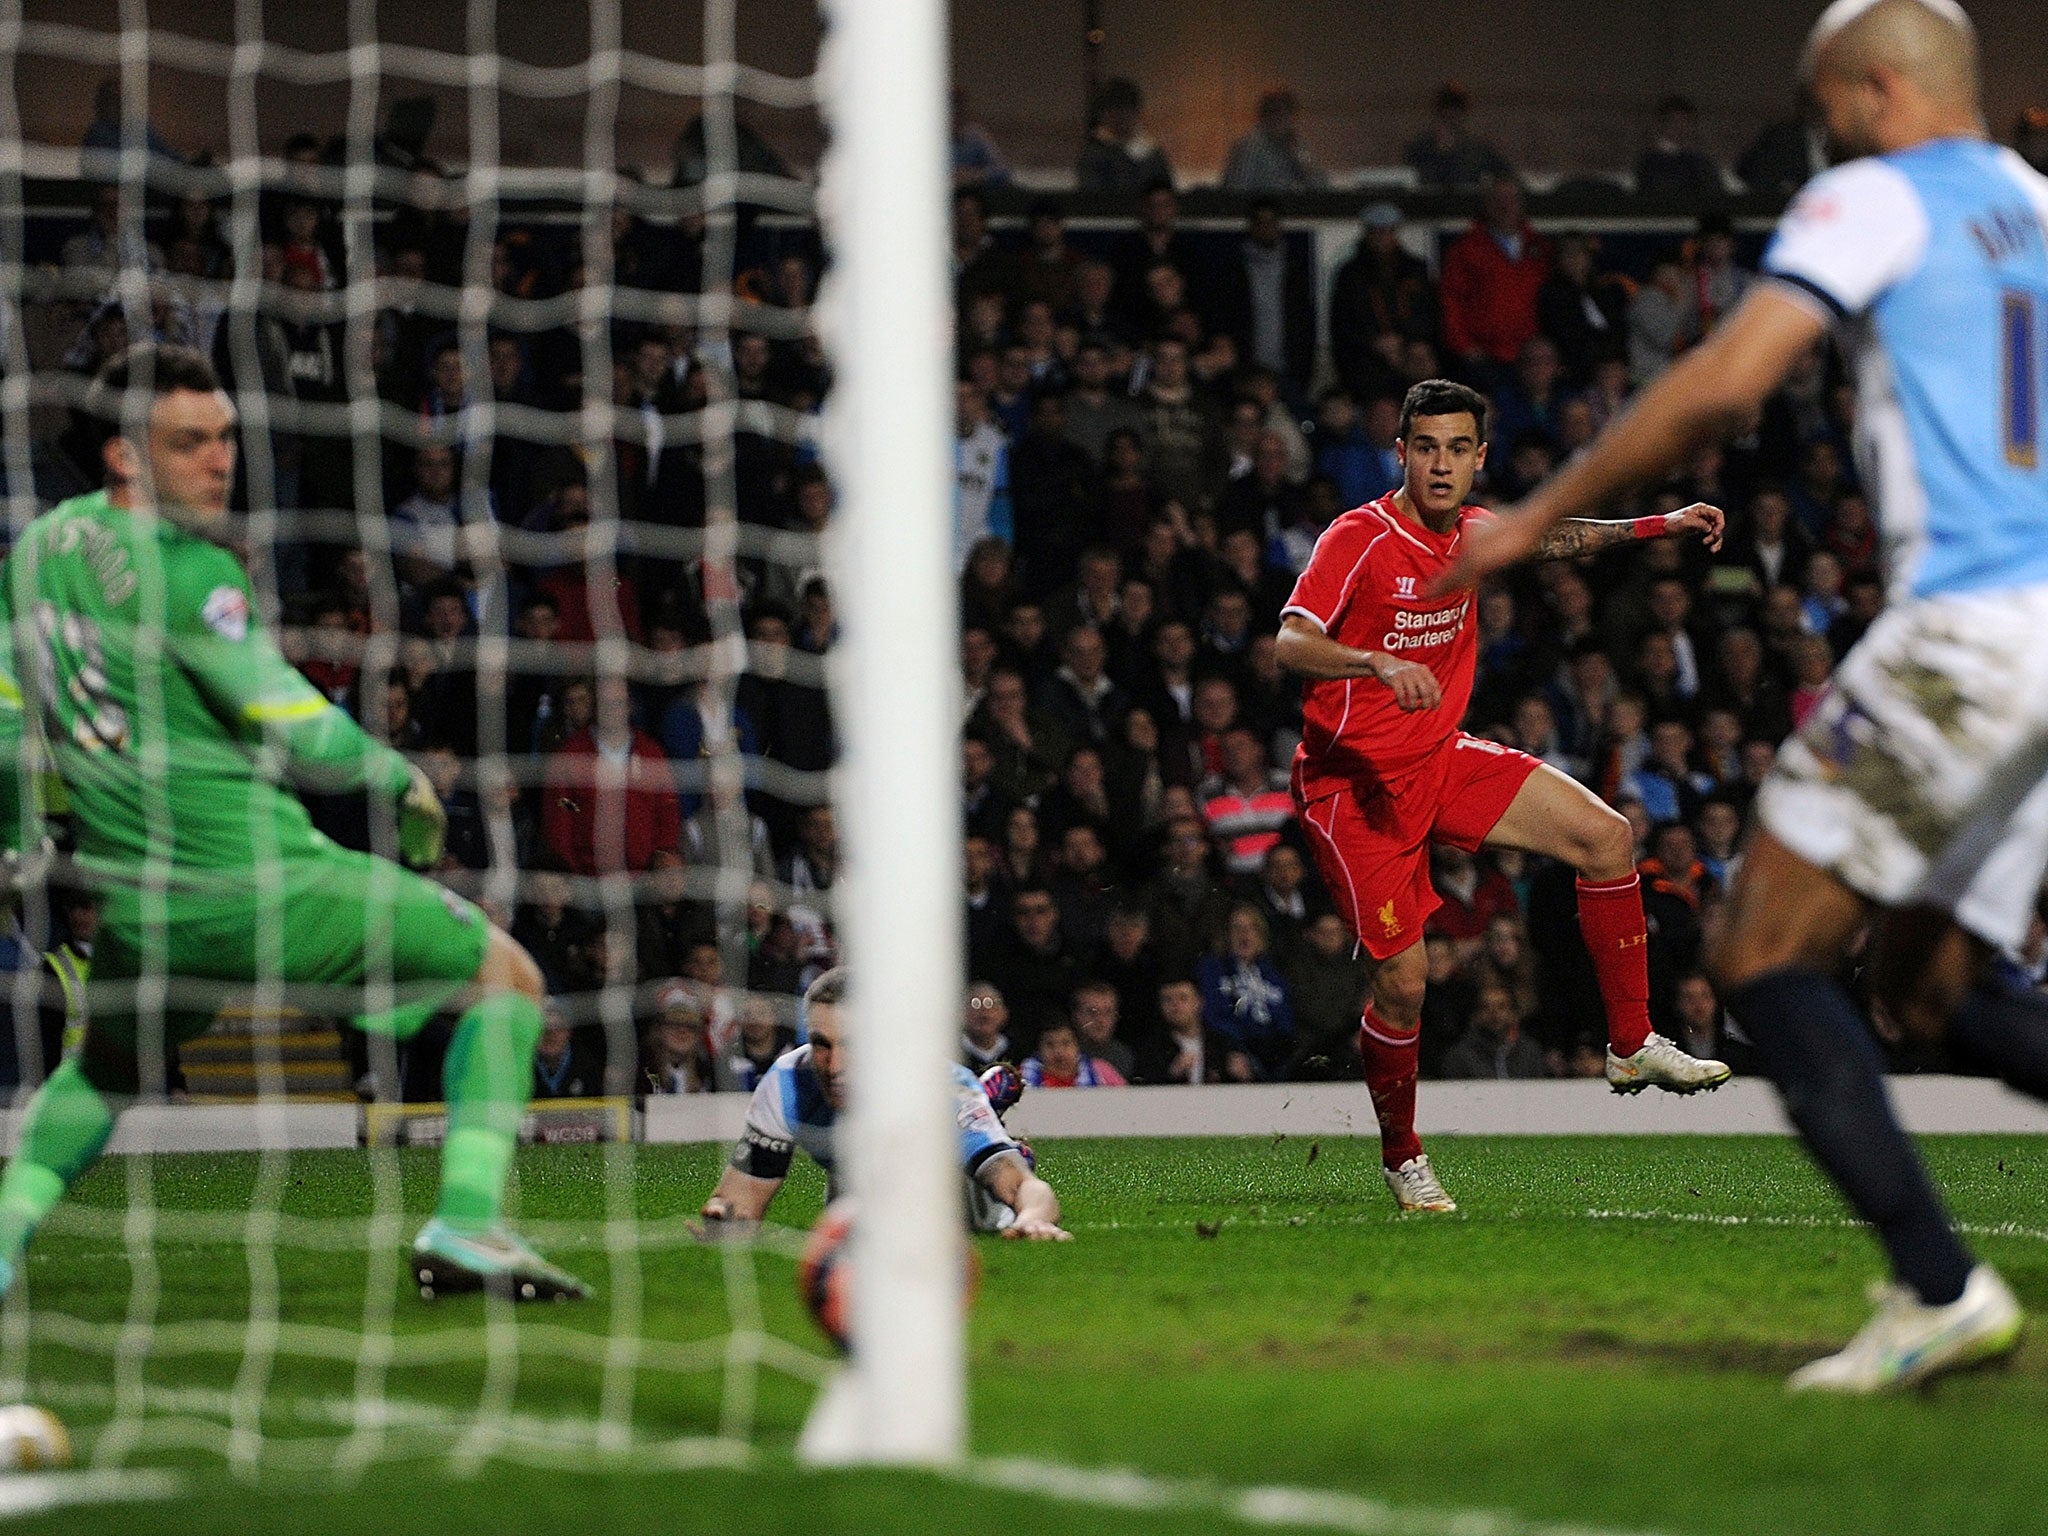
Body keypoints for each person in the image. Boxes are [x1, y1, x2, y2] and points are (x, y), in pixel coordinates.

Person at [1436, 0, 2048, 1392]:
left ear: (1878, 89)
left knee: (1761, 953)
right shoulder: (2034, 200)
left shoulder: (1874, 197)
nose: (1810, 126)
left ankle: (1939, 1288)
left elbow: (1725, 380)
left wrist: (1534, 519)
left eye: (1820, 99)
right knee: (1931, 985)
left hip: (1973, 625)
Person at [0, 346, 585, 1301]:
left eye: (225, 437)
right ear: (120, 455)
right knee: (505, 979)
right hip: (262, 882)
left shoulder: (36, 554)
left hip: (144, 907)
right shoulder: (190, 574)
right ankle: (468, 1224)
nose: (219, 461)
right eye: (188, 443)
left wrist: (15, 836)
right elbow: (297, 725)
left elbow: (4, 711)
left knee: (106, 1069)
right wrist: (399, 777)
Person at [1275, 378, 1729, 1215]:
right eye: (1424, 447)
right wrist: (1374, 661)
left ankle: (1631, 1043)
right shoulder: (1358, 540)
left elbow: (1553, 538)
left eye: (1457, 448)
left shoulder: (1477, 532)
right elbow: (1292, 639)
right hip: (1353, 789)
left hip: (1438, 760)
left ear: (1479, 458)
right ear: (1401, 452)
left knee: (1605, 835)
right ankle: (1403, 1158)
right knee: (1405, 985)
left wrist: (1661, 524)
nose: (1440, 464)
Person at [699, 970, 1070, 1239]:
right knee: (857, 1228)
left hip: (944, 1179)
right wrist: (725, 1216)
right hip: (861, 1175)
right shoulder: (787, 1082)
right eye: (821, 1044)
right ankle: (986, 1113)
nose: (836, 1066)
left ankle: (983, 1125)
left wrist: (1033, 1218)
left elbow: (1027, 1188)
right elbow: (740, 1201)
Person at [1221, 89, 1328, 194]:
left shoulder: (1300, 145)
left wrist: (1302, 161)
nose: (1283, 120)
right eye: (1277, 114)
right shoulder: (1249, 147)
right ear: (1265, 117)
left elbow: (1322, 187)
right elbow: (1238, 190)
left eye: (1288, 115)